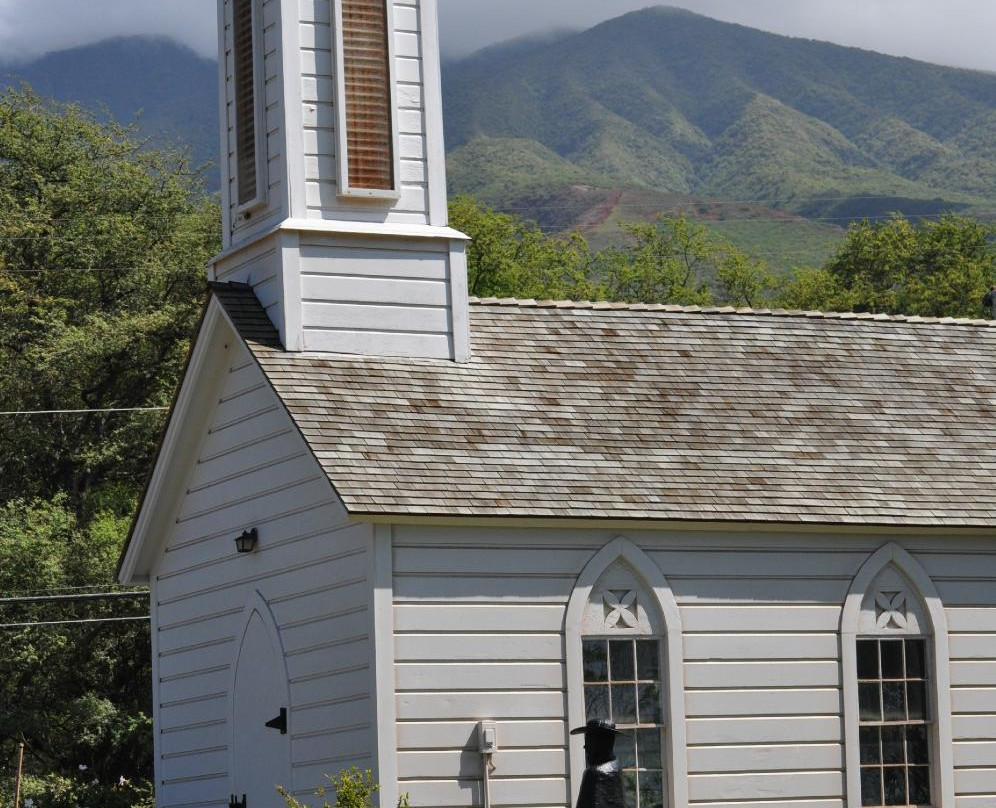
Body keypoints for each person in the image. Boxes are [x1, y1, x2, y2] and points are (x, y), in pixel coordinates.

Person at [571, 719, 625, 808]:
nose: (585, 746)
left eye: (589, 741)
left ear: (601, 742)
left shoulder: (594, 773)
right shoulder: (617, 767)